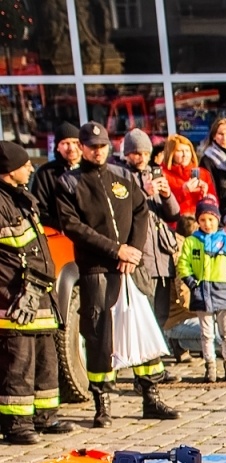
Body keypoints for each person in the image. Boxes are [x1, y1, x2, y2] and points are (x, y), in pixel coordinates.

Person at [57, 122, 176, 424]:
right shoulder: (69, 183)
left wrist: (132, 250)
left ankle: (151, 397)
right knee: (99, 334)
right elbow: (74, 227)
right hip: (97, 268)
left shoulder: (121, 176)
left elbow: (141, 211)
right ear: (82, 148)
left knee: (144, 327)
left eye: (103, 146)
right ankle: (103, 403)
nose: (98, 151)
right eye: (92, 146)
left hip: (131, 266)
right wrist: (115, 250)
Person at [0, 140, 70, 444]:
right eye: (25, 164)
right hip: (13, 295)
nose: (31, 168)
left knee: (45, 357)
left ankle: (44, 416)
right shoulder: (1, 202)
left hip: (38, 291)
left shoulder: (21, 197)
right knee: (19, 363)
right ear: (8, 170)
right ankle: (17, 424)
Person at [119, 129, 183, 358]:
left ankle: (157, 360)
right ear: (127, 154)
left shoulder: (153, 174)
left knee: (162, 312)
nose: (142, 158)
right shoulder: (121, 177)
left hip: (162, 253)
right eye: (137, 153)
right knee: (146, 312)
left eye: (146, 153)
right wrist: (143, 194)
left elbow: (174, 214)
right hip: (142, 254)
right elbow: (123, 212)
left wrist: (166, 194)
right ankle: (148, 363)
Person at [175, 198, 226, 383]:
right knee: (206, 333)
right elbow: (183, 264)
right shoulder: (191, 242)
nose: (207, 224)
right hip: (202, 291)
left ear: (217, 220)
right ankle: (210, 365)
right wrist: (192, 283)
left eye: (211, 219)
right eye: (203, 220)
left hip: (224, 291)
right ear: (198, 221)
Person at [29, 122, 80, 230]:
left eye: (75, 142)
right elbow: (40, 210)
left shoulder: (90, 169)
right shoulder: (45, 173)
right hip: (61, 234)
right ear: (57, 147)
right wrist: (63, 227)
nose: (71, 148)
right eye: (65, 143)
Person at [159, 135, 215, 226]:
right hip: (176, 227)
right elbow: (160, 205)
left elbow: (214, 204)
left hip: (200, 225)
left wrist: (205, 195)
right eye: (180, 151)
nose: (185, 155)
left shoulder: (203, 173)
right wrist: (182, 191)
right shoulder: (163, 174)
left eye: (187, 151)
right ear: (171, 153)